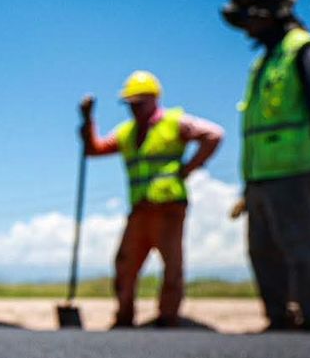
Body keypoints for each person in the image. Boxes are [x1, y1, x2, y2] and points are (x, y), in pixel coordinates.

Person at [221, 0, 310, 331]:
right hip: (259, 174)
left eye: (250, 14)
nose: (246, 25)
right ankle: (279, 320)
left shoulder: (301, 48)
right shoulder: (264, 61)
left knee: (300, 245)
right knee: (262, 250)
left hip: (292, 168)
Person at [80, 71, 223, 327]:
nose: (134, 109)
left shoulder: (173, 122)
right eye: (130, 104)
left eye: (139, 103)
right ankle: (124, 317)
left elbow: (213, 135)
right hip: (140, 209)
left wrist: (189, 168)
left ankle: (167, 318)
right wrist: (88, 120)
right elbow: (94, 149)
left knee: (171, 265)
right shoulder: (126, 133)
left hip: (169, 207)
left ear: (154, 99)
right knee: (125, 263)